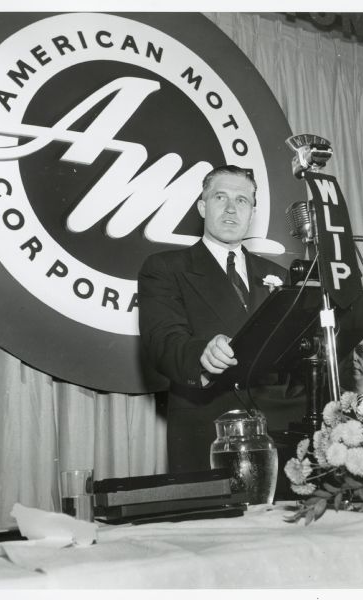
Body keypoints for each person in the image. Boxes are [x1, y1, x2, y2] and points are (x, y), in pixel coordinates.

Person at [138, 165, 304, 473]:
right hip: (209, 432)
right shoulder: (165, 268)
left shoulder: (281, 276)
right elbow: (162, 341)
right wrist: (202, 354)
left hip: (280, 438)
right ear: (202, 206)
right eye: (220, 197)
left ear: (253, 212)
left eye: (242, 200)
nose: (231, 209)